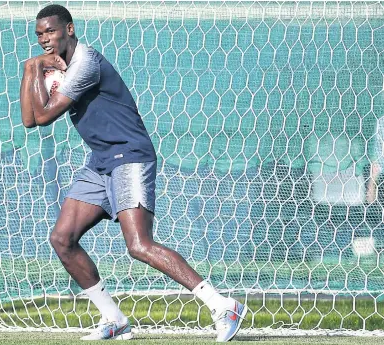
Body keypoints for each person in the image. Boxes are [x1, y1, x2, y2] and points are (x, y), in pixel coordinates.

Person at [19, 4, 247, 342]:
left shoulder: (86, 63)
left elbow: (44, 116)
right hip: (101, 161)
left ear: (69, 29)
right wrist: (31, 68)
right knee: (62, 239)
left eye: (50, 31)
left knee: (139, 245)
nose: (44, 39)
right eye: (39, 35)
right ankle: (114, 319)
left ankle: (222, 305)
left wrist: (36, 66)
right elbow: (29, 120)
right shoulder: (49, 64)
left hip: (130, 156)